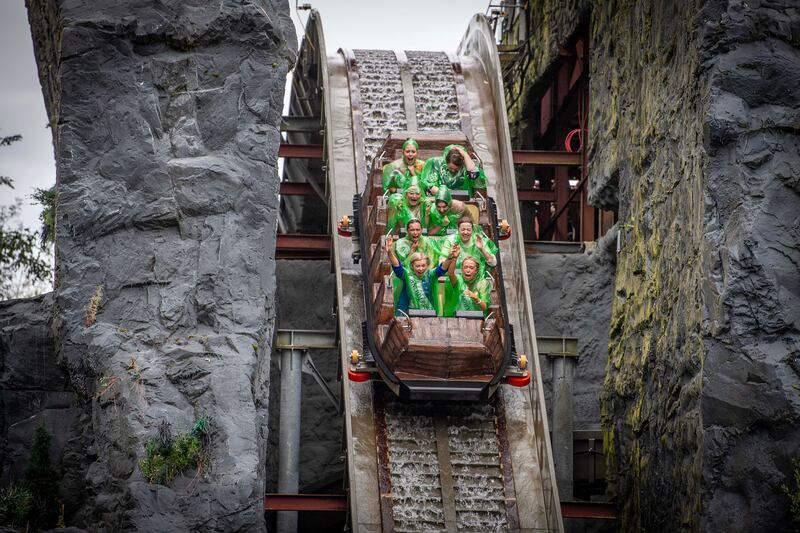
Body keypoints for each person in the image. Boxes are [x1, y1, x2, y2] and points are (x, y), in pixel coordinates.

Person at [387, 238, 456, 315]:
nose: (421, 269)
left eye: (423, 266)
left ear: (427, 265)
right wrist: (390, 252)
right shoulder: (407, 275)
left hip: (428, 313)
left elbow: (442, 268)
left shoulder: (430, 274)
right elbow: (397, 267)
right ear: (412, 266)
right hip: (408, 313)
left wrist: (450, 257)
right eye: (418, 266)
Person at [421, 144, 487, 198]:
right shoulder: (436, 163)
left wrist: (465, 155)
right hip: (440, 199)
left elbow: (475, 177)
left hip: (463, 200)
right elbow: (428, 184)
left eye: (456, 169)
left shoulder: (466, 167)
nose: (452, 171)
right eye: (450, 168)